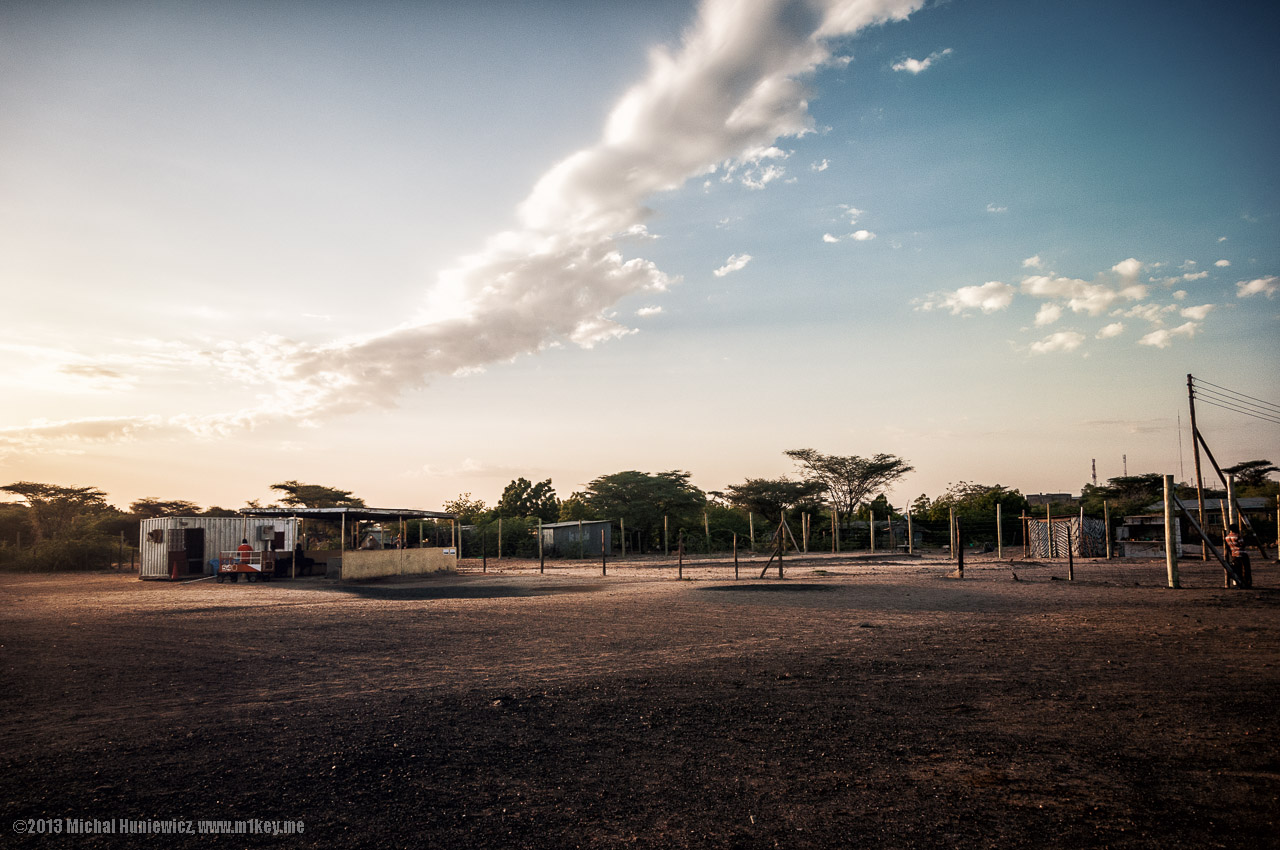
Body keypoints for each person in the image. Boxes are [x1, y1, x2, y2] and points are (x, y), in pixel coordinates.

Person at [1224, 523, 1252, 589]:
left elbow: (1228, 547)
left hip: (1234, 554)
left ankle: (1240, 583)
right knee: (1246, 569)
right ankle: (1247, 583)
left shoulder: (1227, 537)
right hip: (1242, 554)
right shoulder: (1238, 536)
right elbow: (1242, 544)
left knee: (1238, 570)